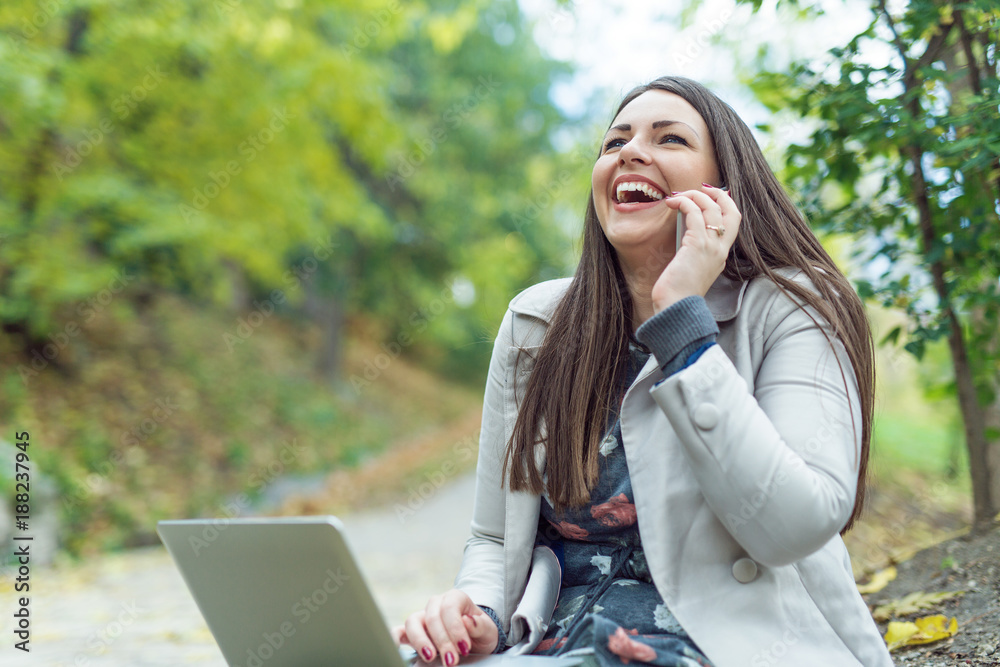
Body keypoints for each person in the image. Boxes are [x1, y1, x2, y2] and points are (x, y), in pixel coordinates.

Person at [392, 76, 894, 666]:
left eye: (670, 139)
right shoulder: (535, 325)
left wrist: (682, 320)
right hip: (546, 649)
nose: (630, 152)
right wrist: (479, 616)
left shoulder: (798, 307)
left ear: (723, 191)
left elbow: (794, 525)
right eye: (615, 142)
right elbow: (495, 537)